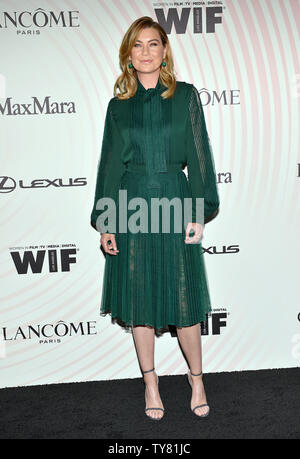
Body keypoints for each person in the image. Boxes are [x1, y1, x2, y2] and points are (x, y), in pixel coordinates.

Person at [90, 16, 220, 421]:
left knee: (184, 299)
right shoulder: (118, 107)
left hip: (174, 201)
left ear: (165, 51)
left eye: (153, 44)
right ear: (129, 56)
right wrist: (106, 220)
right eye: (137, 46)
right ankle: (151, 382)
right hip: (130, 206)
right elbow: (110, 165)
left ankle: (197, 379)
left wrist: (199, 210)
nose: (146, 52)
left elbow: (199, 157)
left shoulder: (185, 97)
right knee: (140, 298)